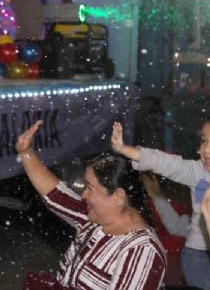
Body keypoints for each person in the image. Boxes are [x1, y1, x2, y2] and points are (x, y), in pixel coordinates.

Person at [112, 112, 210, 290]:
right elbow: (169, 163)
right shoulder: (198, 172)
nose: (206, 149)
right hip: (200, 253)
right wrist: (128, 150)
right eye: (204, 141)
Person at [17, 120, 166, 289]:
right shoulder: (93, 221)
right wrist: (26, 152)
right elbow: (55, 194)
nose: (84, 194)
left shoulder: (141, 251)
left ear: (118, 197)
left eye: (90, 187)